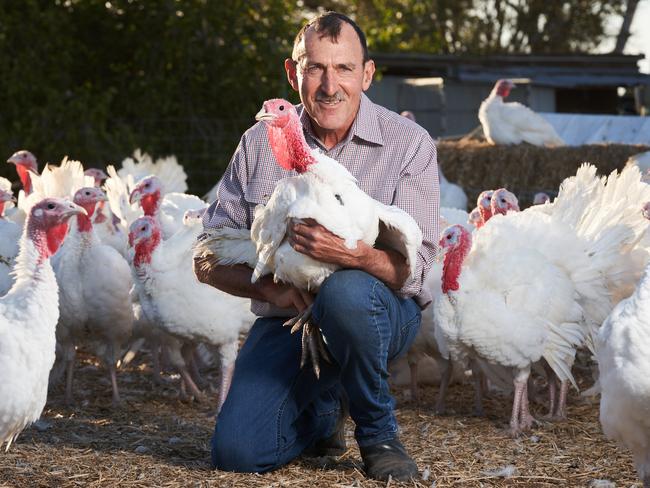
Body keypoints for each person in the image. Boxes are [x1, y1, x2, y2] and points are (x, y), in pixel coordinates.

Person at [194, 11, 439, 482]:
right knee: (237, 453)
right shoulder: (259, 143)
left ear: (366, 74)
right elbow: (207, 255)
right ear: (293, 73)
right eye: (315, 68)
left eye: (344, 68)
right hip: (290, 316)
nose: (330, 85)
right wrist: (274, 292)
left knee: (346, 293)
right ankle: (323, 411)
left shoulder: (408, 143)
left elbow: (421, 269)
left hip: (379, 310)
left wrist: (351, 255)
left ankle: (377, 433)